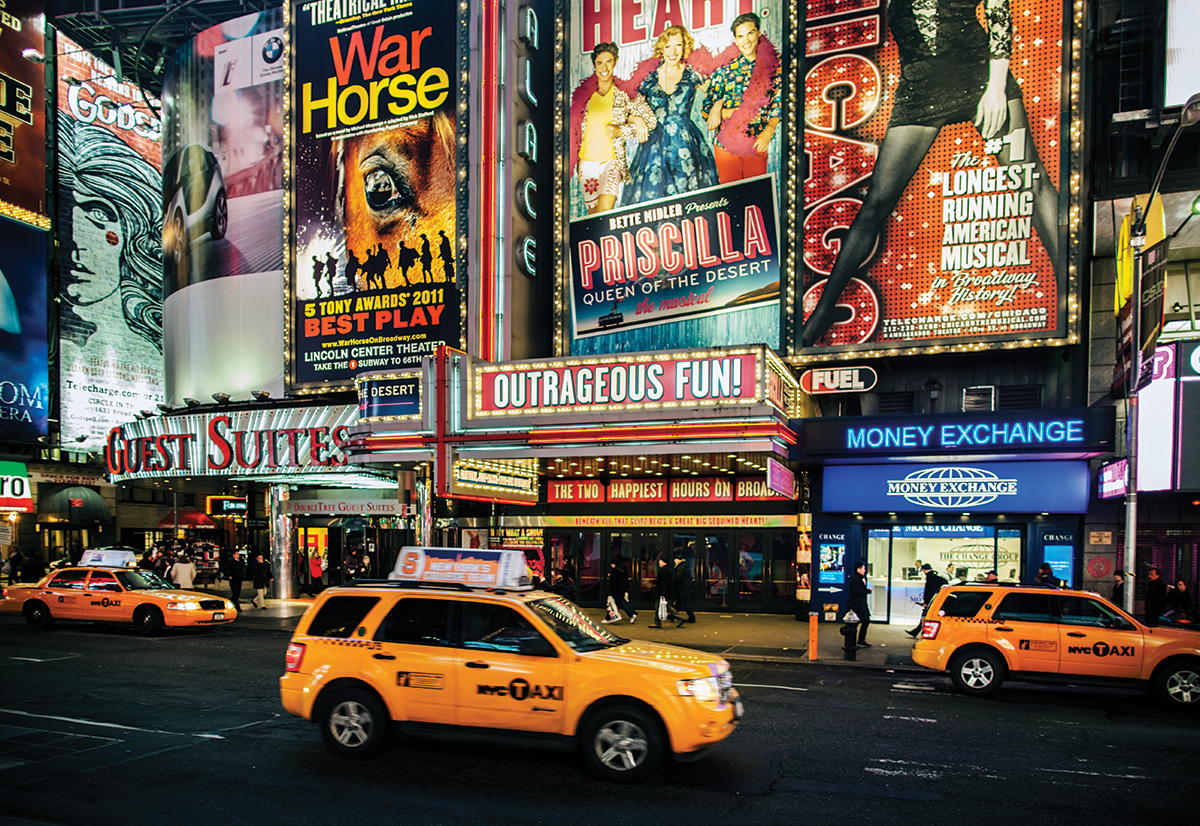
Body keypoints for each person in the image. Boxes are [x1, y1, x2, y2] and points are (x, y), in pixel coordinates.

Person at [802, 0, 1060, 346]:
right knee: (876, 204)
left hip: (977, 75)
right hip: (920, 90)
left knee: (1033, 181)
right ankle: (821, 313)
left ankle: (1069, 286)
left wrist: (996, 88)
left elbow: (999, 12)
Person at [621, 25, 719, 206]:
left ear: (685, 47)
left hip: (686, 146)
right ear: (661, 49)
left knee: (690, 203)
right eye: (668, 46)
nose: (673, 52)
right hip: (652, 148)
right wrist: (637, 120)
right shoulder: (648, 77)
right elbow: (624, 109)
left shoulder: (692, 74)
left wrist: (717, 106)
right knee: (653, 204)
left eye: (678, 45)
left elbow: (719, 92)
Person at [570, 42, 656, 214]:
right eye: (600, 63)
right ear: (594, 65)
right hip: (587, 164)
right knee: (593, 217)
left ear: (615, 62)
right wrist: (632, 118)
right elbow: (573, 130)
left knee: (604, 211)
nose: (604, 67)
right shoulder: (584, 96)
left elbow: (651, 121)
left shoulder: (625, 92)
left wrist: (622, 130)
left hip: (612, 161)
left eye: (609, 61)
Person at [700, 12, 781, 183]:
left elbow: (778, 102)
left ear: (759, 33)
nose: (746, 41)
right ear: (736, 40)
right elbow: (707, 110)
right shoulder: (726, 70)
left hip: (756, 140)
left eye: (750, 33)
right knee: (731, 200)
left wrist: (769, 131)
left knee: (757, 199)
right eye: (740, 36)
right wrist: (720, 108)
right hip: (726, 146)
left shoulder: (774, 66)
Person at [907, 563, 947, 637]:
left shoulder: (930, 577)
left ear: (924, 570)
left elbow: (929, 591)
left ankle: (918, 631)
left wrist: (926, 602)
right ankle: (916, 631)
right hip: (933, 600)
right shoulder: (934, 576)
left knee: (925, 616)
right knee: (925, 616)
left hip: (931, 601)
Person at [602, 559, 637, 624]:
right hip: (621, 590)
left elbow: (613, 583)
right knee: (620, 603)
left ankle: (611, 618)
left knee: (613, 604)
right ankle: (632, 613)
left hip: (615, 591)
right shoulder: (622, 570)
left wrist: (610, 591)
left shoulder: (615, 571)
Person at [847, 561, 872, 647]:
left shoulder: (860, 578)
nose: (865, 570)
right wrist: (867, 591)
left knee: (864, 621)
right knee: (864, 620)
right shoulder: (855, 579)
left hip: (861, 604)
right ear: (858, 569)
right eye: (863, 568)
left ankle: (859, 639)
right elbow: (857, 591)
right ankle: (857, 640)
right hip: (857, 604)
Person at [650, 556, 675, 628]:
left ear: (664, 562)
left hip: (662, 593)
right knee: (666, 607)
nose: (659, 562)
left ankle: (657, 623)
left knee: (658, 607)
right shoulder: (667, 570)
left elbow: (664, 583)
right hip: (665, 592)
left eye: (660, 561)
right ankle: (679, 618)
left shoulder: (664, 571)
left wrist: (662, 593)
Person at [673, 549, 696, 627]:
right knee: (680, 603)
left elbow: (678, 578)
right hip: (685, 588)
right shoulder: (685, 566)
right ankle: (674, 615)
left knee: (684, 603)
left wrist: (673, 580)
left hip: (682, 588)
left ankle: (691, 617)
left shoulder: (680, 568)